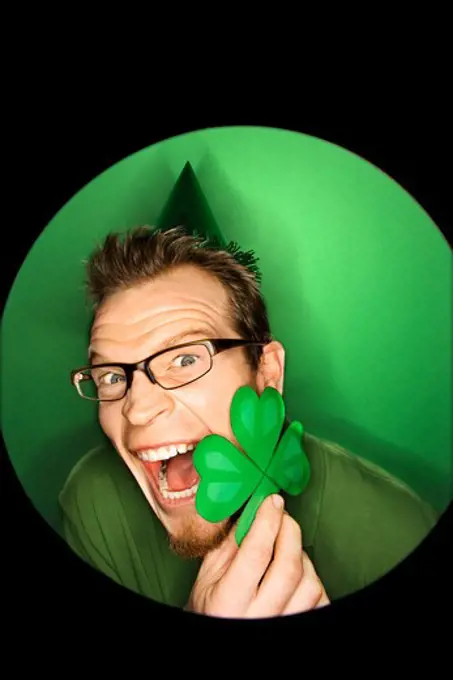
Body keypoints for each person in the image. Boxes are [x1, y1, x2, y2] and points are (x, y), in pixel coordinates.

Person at [59, 225, 438, 618]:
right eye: (113, 377)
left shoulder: (399, 534)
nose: (136, 409)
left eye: (185, 359)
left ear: (267, 373)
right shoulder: (93, 499)